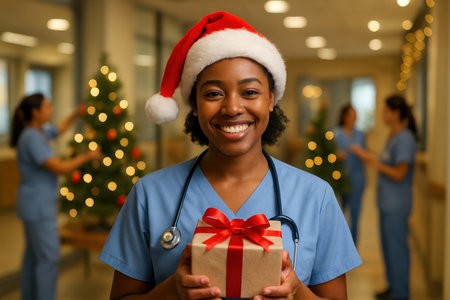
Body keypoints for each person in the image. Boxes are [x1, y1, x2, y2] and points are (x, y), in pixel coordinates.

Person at [99, 11, 361, 300]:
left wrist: (297, 293)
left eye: (249, 91)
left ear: (271, 99)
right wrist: (171, 291)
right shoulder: (150, 195)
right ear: (194, 104)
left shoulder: (316, 197)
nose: (232, 108)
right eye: (213, 94)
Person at [10, 93, 101, 300]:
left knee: (33, 256)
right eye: (47, 107)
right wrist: (86, 156)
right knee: (48, 258)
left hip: (34, 205)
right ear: (35, 112)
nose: (51, 110)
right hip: (37, 208)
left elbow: (59, 129)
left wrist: (76, 114)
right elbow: (58, 167)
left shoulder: (40, 131)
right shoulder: (31, 138)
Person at [350, 95, 418, 300]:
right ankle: (393, 287)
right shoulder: (393, 136)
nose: (382, 114)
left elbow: (399, 173)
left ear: (396, 113)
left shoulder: (405, 138)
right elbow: (387, 162)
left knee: (397, 250)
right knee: (388, 249)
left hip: (396, 205)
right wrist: (370, 157)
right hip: (387, 204)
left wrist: (373, 162)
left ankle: (400, 293)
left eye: (385, 110)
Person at [334, 105, 366, 244]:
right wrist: (336, 155)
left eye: (355, 115)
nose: (354, 119)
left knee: (356, 213)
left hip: (358, 178)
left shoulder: (360, 134)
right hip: (341, 179)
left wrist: (360, 153)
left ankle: (353, 247)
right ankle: (340, 244)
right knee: (340, 213)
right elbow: (329, 156)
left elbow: (365, 155)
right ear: (344, 116)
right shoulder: (335, 134)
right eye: (351, 115)